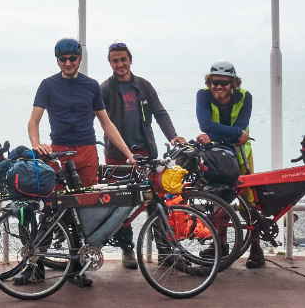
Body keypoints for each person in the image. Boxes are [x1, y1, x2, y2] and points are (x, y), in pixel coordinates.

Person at [28, 38, 135, 286]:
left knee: (84, 210)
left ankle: (77, 268)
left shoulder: (91, 86)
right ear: (57, 60)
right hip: (59, 153)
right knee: (52, 209)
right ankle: (36, 266)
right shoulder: (47, 85)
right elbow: (34, 121)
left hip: (87, 153)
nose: (67, 63)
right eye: (62, 59)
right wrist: (37, 145)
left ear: (80, 59)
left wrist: (128, 154)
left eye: (72, 59)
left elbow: (106, 123)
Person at [100, 41, 187, 269]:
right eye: (115, 61)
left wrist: (173, 136)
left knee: (155, 202)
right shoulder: (105, 89)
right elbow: (93, 117)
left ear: (130, 60)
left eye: (123, 59)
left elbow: (160, 112)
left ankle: (164, 250)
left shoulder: (144, 86)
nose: (120, 64)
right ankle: (127, 250)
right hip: (117, 156)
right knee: (121, 206)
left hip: (146, 152)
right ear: (110, 63)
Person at [194, 60, 263, 268]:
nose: (219, 87)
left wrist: (215, 135)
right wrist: (237, 134)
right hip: (217, 155)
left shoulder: (245, 97)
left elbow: (242, 127)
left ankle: (256, 247)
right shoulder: (203, 95)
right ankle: (220, 244)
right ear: (209, 81)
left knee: (249, 199)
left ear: (233, 83)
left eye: (224, 83)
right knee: (218, 197)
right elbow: (205, 124)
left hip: (241, 155)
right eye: (215, 82)